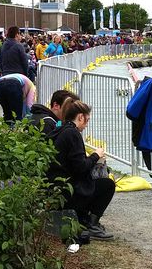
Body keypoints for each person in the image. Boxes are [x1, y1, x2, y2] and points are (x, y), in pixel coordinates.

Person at [51, 100, 114, 240]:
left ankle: (83, 219)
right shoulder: (73, 134)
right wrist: (96, 155)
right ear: (80, 117)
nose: (86, 125)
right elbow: (81, 168)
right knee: (107, 184)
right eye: (87, 120)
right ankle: (91, 224)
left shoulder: (60, 129)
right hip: (69, 192)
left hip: (57, 187)